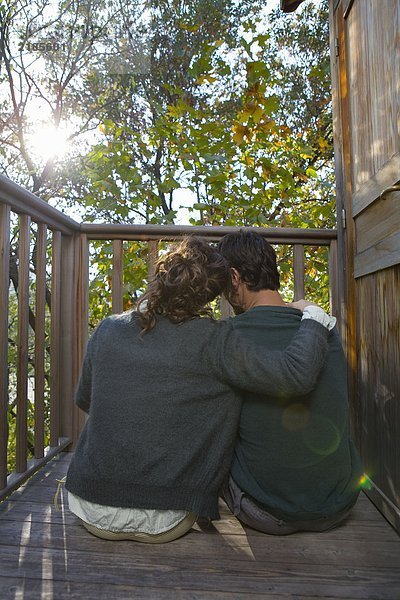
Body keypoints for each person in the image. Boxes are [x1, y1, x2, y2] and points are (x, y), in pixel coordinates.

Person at [65, 236, 332, 543]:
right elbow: (296, 375)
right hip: (166, 517)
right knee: (231, 386)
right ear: (211, 294)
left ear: (162, 277)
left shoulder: (108, 328)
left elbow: (86, 400)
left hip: (89, 506)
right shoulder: (216, 340)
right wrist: (314, 318)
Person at [218, 230, 363, 535]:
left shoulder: (227, 338)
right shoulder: (323, 329)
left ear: (234, 277)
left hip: (268, 512)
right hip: (339, 504)